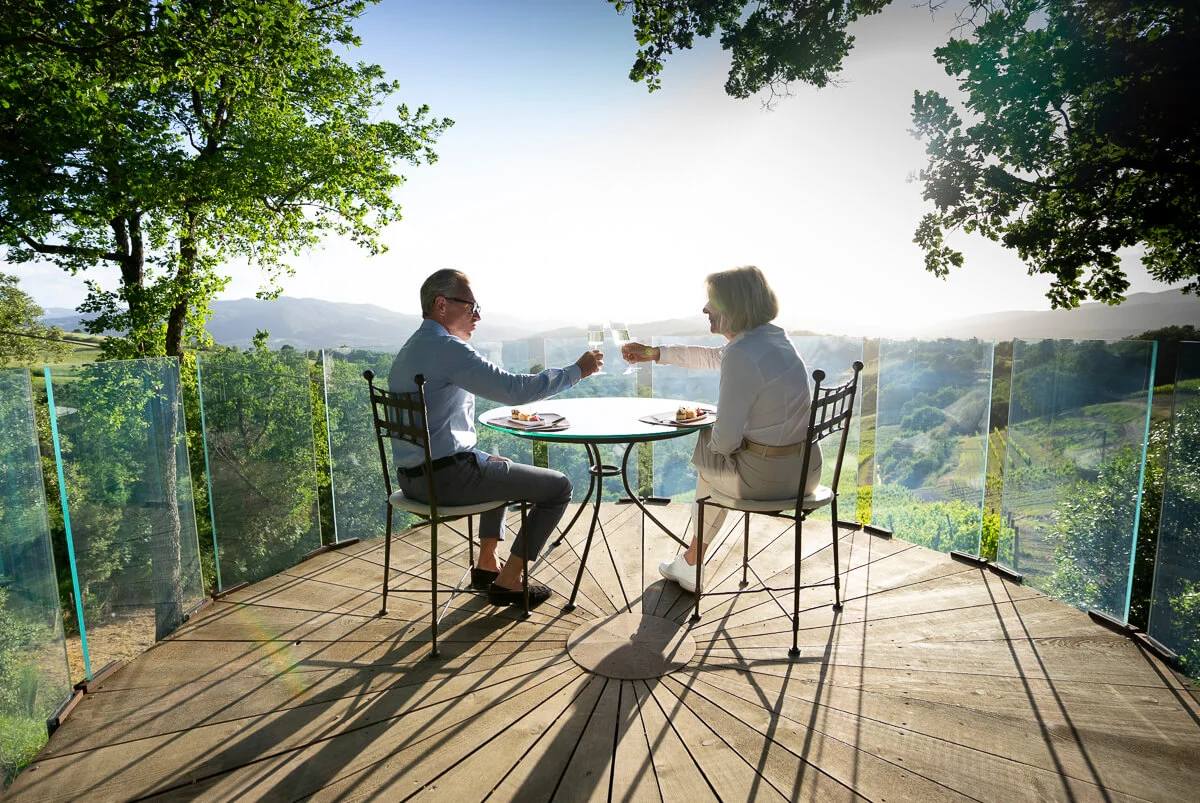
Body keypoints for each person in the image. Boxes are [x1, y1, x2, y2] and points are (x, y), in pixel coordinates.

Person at [389, 269, 604, 607]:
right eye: (471, 306)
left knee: (494, 462)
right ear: (442, 305)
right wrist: (576, 371)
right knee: (558, 487)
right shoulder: (447, 349)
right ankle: (509, 580)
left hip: (412, 478)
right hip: (446, 479)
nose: (477, 315)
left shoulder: (411, 348)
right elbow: (514, 390)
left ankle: (487, 563)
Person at [621, 265, 821, 593]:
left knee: (707, 444)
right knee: (712, 456)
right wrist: (655, 353)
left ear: (734, 306)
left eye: (712, 301)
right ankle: (689, 561)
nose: (704, 309)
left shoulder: (743, 353)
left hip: (769, 480)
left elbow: (725, 441)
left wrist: (712, 426)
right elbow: (716, 357)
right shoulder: (772, 339)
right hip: (805, 471)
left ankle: (691, 562)